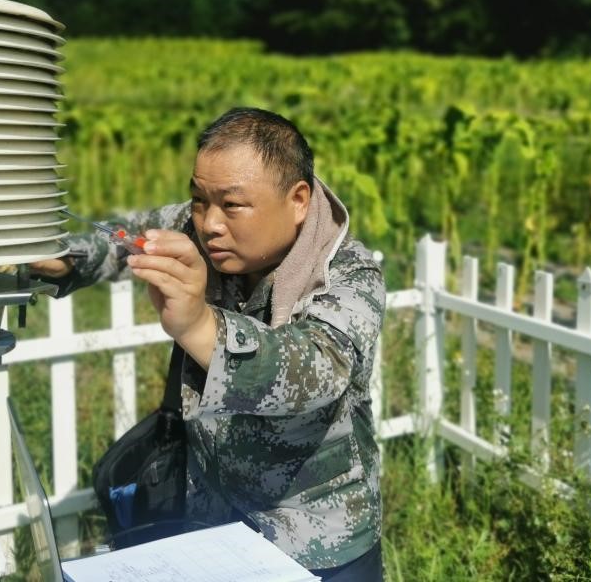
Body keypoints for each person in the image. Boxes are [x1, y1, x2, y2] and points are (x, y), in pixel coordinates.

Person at [31, 107, 385, 581]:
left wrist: (199, 324)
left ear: (298, 199)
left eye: (232, 205)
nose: (209, 223)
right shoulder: (196, 225)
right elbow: (126, 240)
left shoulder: (349, 273)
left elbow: (314, 373)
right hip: (215, 522)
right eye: (199, 200)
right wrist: (64, 260)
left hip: (317, 540)